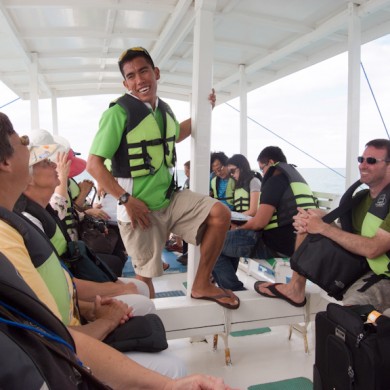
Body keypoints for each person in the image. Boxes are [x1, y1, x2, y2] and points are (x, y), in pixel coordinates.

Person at [0, 113, 187, 377]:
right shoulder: (8, 236)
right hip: (65, 358)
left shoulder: (16, 222)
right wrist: (106, 318)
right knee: (174, 369)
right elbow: (50, 337)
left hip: (75, 321)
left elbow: (55, 291)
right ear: (8, 162)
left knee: (146, 311)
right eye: (21, 142)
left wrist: (94, 307)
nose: (55, 166)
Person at [86, 47, 239, 309]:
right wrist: (126, 200)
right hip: (138, 210)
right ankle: (148, 328)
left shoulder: (163, 111)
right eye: (131, 76)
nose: (139, 80)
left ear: (155, 73)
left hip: (170, 199)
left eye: (144, 71)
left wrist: (206, 109)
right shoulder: (117, 113)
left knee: (220, 214)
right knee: (145, 282)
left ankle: (201, 284)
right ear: (126, 83)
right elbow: (93, 164)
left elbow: (175, 134)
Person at [256, 139, 390, 312]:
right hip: (361, 264)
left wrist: (323, 227)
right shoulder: (362, 197)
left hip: (383, 275)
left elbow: (374, 248)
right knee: (309, 219)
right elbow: (346, 233)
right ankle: (295, 288)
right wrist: (318, 218)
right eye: (361, 159)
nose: (363, 165)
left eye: (371, 161)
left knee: (352, 310)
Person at [212, 146, 317, 291]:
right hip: (302, 243)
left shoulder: (275, 181)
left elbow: (259, 222)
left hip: (277, 244)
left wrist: (240, 227)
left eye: (262, 168)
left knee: (213, 243)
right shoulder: (297, 180)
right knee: (228, 240)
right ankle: (230, 287)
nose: (262, 173)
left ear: (271, 162)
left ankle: (234, 291)